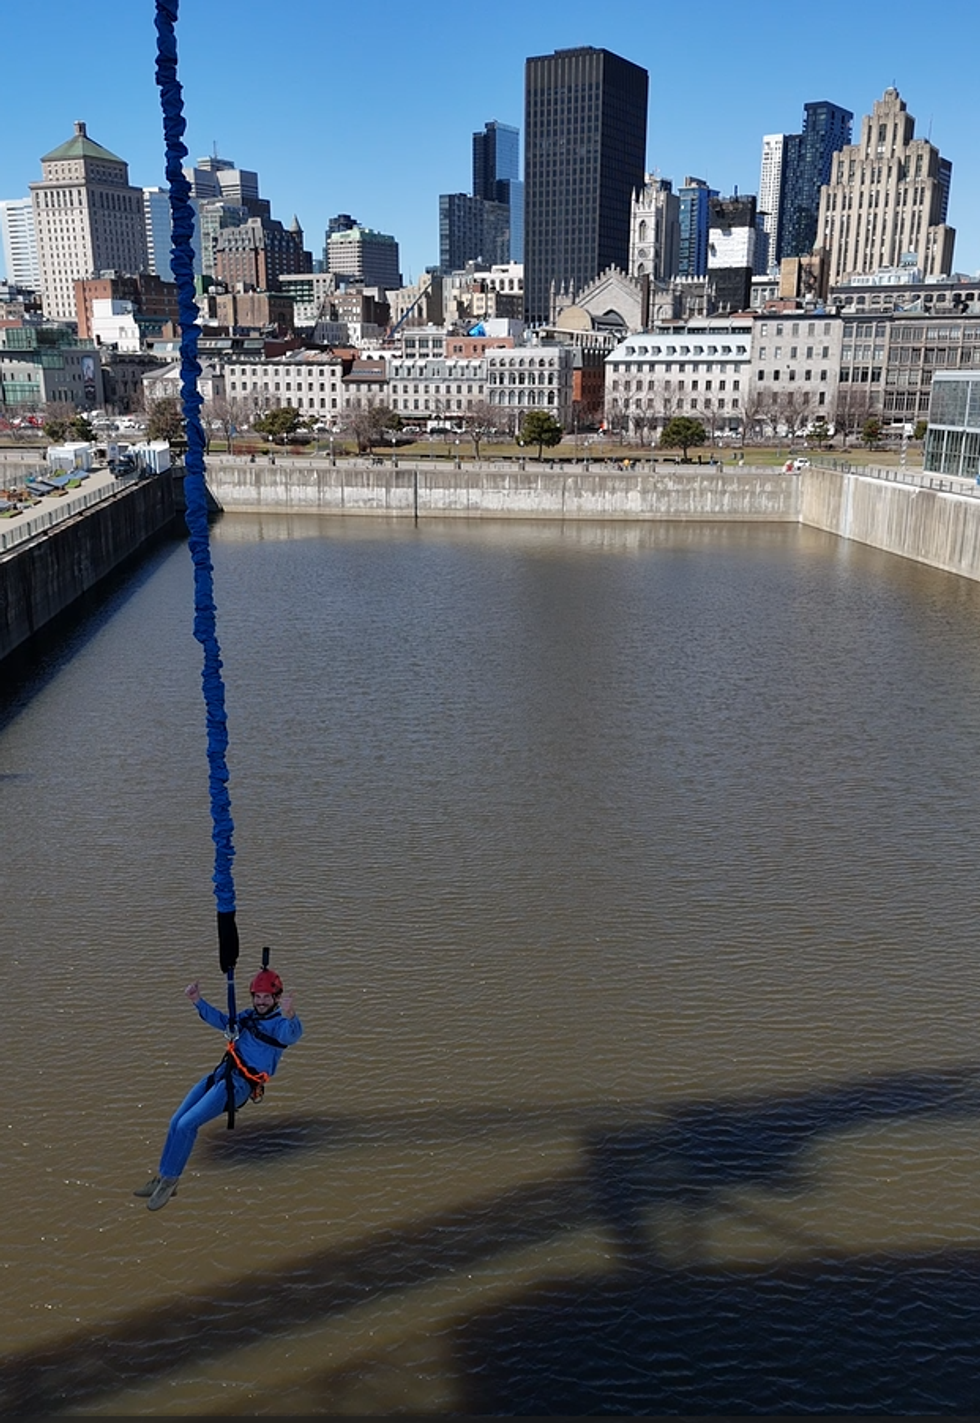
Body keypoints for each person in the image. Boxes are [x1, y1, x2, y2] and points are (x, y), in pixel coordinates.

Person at [135, 968, 303, 1211]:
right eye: (257, 996)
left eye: (267, 997)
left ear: (277, 998)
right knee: (175, 1121)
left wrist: (291, 1015)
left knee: (187, 1125)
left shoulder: (280, 1024)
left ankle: (170, 1183)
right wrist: (197, 1001)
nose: (261, 1001)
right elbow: (224, 1022)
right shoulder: (248, 1017)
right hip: (222, 1073)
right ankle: (162, 1177)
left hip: (239, 1085)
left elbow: (292, 1035)